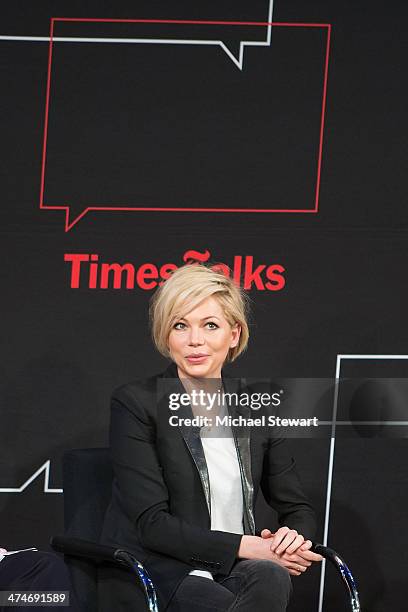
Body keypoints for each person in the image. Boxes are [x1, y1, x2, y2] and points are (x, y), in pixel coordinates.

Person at [99, 263, 322, 611]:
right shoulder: (136, 403)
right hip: (160, 571)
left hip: (230, 569)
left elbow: (297, 508)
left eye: (211, 325)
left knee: (272, 574)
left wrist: (289, 540)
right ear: (165, 334)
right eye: (180, 325)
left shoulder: (256, 407)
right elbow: (152, 525)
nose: (195, 341)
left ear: (233, 334)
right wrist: (249, 547)